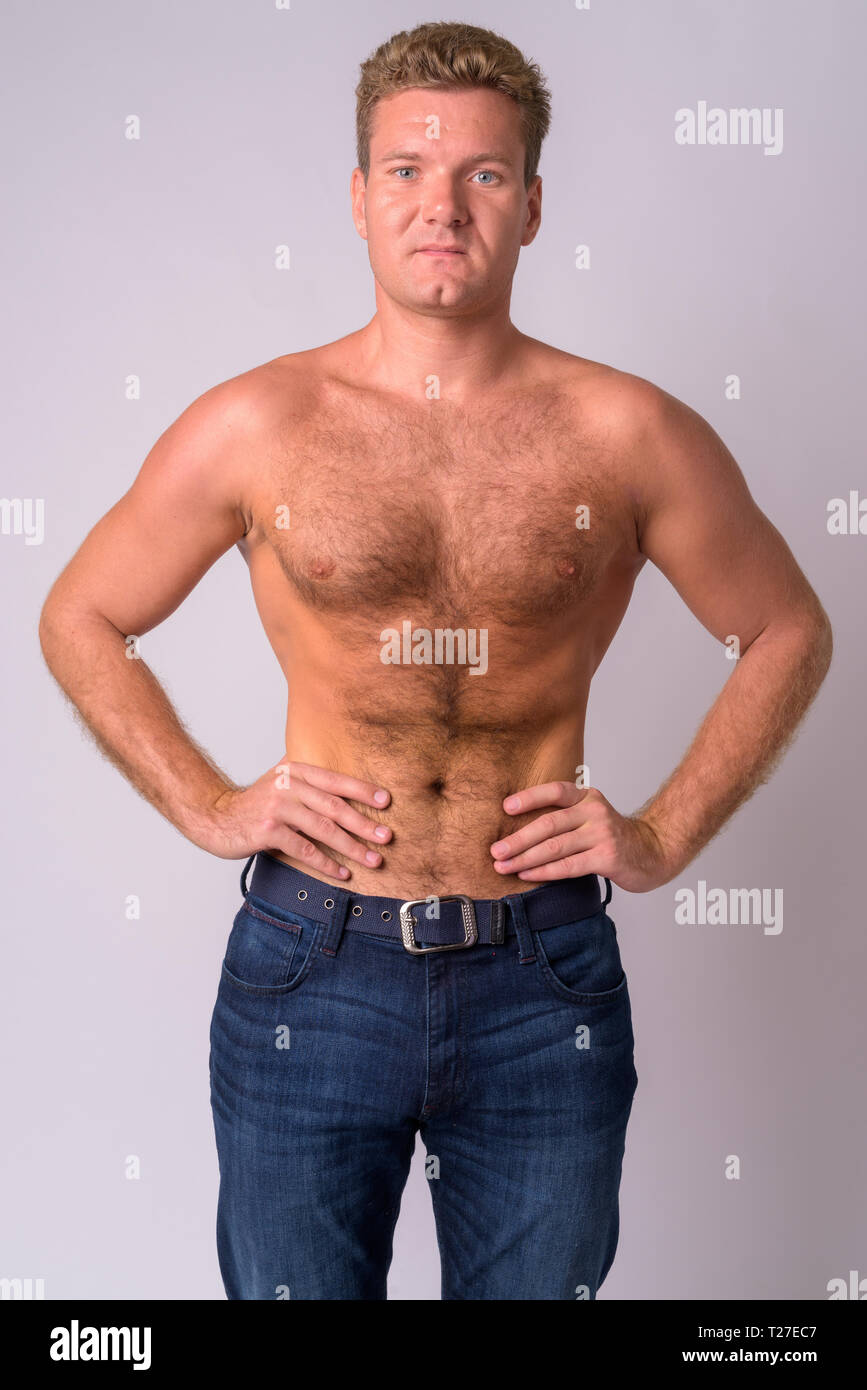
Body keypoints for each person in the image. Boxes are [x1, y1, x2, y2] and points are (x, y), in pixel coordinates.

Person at [38, 21, 832, 1300]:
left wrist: (664, 834)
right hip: (312, 956)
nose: (441, 203)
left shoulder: (627, 430)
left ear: (531, 202)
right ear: (356, 201)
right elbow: (81, 613)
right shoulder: (259, 421)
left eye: (482, 172)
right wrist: (211, 804)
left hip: (545, 969)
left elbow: (788, 627)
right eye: (405, 169)